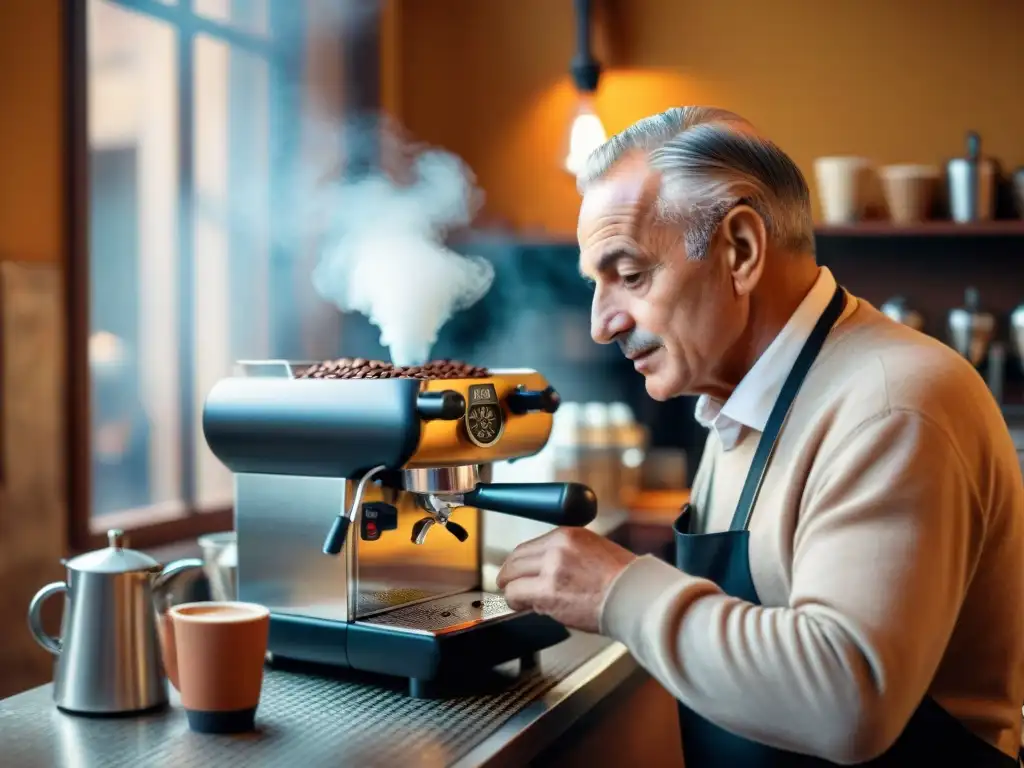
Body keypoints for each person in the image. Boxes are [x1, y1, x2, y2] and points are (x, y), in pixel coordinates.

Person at [496, 106, 1024, 766]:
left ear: (740, 250)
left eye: (629, 275)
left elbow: (847, 701)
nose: (602, 322)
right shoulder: (737, 404)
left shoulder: (896, 402)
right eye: (596, 284)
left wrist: (616, 591)